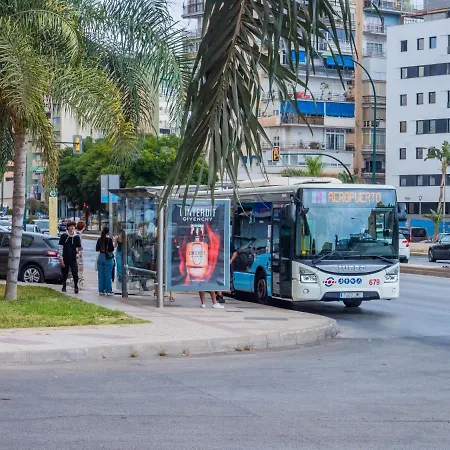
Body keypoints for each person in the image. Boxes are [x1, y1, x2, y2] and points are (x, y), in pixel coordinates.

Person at [58, 221, 82, 294]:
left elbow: (79, 247)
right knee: (65, 272)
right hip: (65, 257)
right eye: (71, 226)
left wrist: (78, 253)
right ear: (68, 228)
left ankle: (76, 286)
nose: (72, 228)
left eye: (73, 226)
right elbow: (60, 247)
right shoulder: (64, 236)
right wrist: (60, 258)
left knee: (75, 272)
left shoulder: (77, 237)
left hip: (73, 257)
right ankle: (64, 286)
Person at [96, 226, 116, 296]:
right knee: (108, 274)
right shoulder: (109, 240)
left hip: (100, 257)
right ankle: (108, 290)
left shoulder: (99, 239)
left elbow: (97, 249)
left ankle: (101, 290)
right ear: (108, 232)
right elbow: (111, 249)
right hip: (107, 258)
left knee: (100, 274)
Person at [75, 221, 86, 289]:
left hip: (76, 254)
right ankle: (79, 284)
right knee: (80, 269)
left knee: (77, 269)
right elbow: (78, 246)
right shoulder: (78, 235)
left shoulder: (75, 234)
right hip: (78, 255)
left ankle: (77, 283)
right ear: (83, 227)